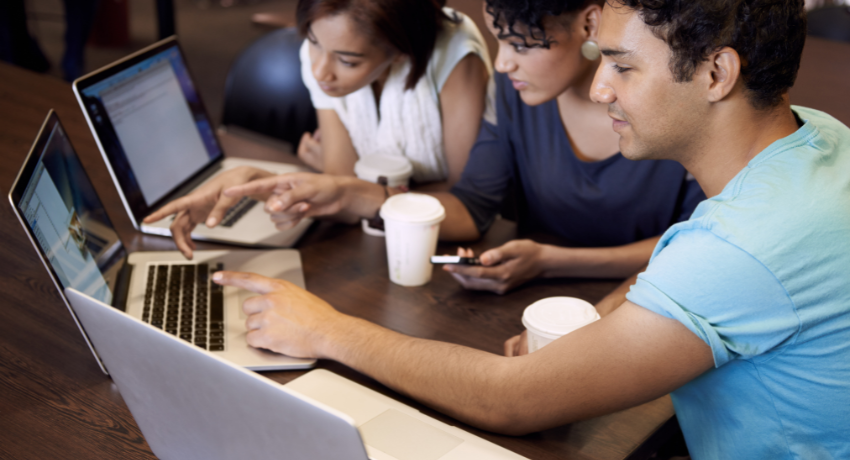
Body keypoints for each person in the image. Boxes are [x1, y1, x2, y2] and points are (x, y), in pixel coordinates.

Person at [207, 0, 850, 458]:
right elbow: (687, 258)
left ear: (717, 74)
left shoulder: (739, 248)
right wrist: (600, 322)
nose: (598, 88)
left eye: (623, 67)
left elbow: (513, 400)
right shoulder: (816, 136)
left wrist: (325, 329)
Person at [148, 0, 704, 301]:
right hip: (535, 299)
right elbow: (468, 207)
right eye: (498, 40)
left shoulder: (668, 106)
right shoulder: (516, 97)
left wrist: (557, 261)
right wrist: (334, 189)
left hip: (656, 303)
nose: (501, 62)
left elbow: (699, 246)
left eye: (516, 44)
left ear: (588, 23)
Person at [295, 0, 491, 186]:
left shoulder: (454, 52)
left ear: (400, 51)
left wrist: (355, 188)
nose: (318, 72)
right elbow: (342, 179)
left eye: (348, 62)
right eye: (313, 42)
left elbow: (468, 192)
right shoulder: (325, 47)